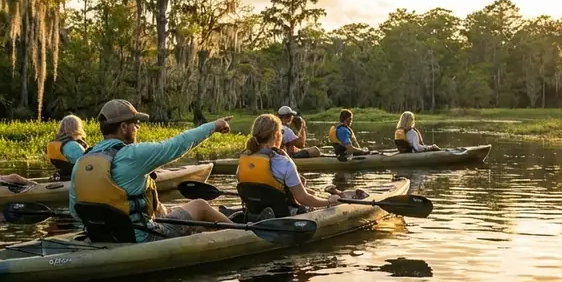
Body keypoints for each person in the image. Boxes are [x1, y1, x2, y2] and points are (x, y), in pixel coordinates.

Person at [70, 99, 234, 241]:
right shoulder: (131, 154)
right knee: (200, 206)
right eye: (136, 123)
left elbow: (75, 212)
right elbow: (177, 145)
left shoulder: (82, 161)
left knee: (170, 214)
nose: (138, 127)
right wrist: (214, 125)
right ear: (124, 127)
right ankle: (243, 236)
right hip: (141, 237)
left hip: (100, 236)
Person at [237, 114, 365, 218]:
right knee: (318, 199)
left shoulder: (244, 160)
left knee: (310, 191)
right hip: (283, 217)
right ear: (277, 135)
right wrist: (328, 202)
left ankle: (332, 193)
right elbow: (303, 199)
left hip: (254, 213)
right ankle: (334, 196)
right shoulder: (283, 162)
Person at [47, 114, 89, 179]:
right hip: (77, 176)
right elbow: (87, 164)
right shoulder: (73, 145)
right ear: (77, 127)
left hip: (64, 175)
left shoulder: (59, 143)